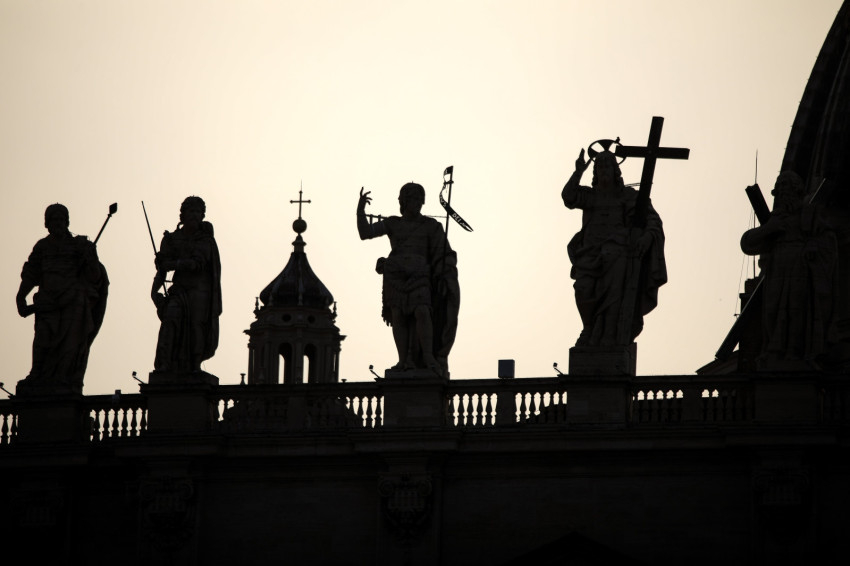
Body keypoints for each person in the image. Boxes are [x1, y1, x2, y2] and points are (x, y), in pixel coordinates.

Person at [562, 149, 667, 347]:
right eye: (599, 167)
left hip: (618, 252)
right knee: (582, 288)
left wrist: (647, 237)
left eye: (607, 166)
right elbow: (568, 196)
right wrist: (578, 172)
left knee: (614, 291)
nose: (603, 171)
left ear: (615, 170)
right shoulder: (590, 196)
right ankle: (588, 328)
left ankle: (610, 333)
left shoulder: (627, 196)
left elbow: (652, 220)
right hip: (589, 253)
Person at [357, 183, 459, 374]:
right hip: (395, 276)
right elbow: (366, 233)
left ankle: (428, 356)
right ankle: (403, 360)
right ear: (404, 201)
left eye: (420, 199)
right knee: (398, 316)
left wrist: (445, 270)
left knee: (422, 312)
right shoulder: (393, 223)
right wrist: (360, 210)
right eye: (413, 199)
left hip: (420, 275)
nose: (418, 203)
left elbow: (444, 252)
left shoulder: (431, 226)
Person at [740, 171, 837, 363]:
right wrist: (769, 229)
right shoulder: (774, 219)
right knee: (772, 309)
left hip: (800, 267)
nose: (784, 191)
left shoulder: (809, 214)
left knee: (796, 308)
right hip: (776, 268)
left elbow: (828, 237)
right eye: (780, 187)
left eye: (788, 186)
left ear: (797, 190)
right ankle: (774, 350)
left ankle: (793, 351)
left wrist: (813, 245)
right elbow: (747, 243)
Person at [16, 203, 108, 390]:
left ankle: (64, 377)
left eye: (61, 219)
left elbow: (95, 277)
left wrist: (91, 258)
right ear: (47, 223)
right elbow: (31, 273)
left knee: (70, 344)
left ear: (67, 222)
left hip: (72, 302)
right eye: (53, 219)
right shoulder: (42, 247)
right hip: (47, 302)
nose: (57, 223)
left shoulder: (79, 246)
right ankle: (37, 374)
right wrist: (21, 296)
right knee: (42, 340)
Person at [151, 196, 222, 372]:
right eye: (191, 211)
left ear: (202, 216)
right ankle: (165, 363)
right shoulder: (171, 238)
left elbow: (197, 264)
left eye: (198, 212)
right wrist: (154, 290)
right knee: (170, 319)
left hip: (199, 291)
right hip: (179, 289)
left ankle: (195, 364)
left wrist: (172, 263)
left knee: (196, 326)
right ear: (182, 215)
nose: (194, 215)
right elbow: (162, 269)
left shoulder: (205, 240)